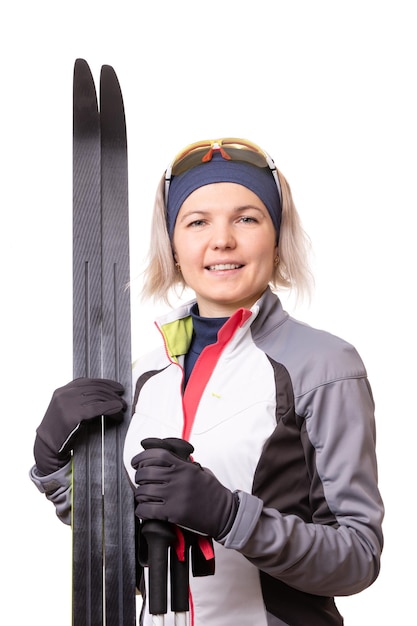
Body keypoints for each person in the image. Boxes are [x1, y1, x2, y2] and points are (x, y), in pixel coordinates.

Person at [30, 137, 384, 625]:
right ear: (174, 245)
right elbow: (127, 555)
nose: (222, 240)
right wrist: (60, 474)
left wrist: (228, 515)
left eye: (247, 218)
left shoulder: (323, 366)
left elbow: (358, 558)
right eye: (197, 222)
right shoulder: (145, 377)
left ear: (276, 237)